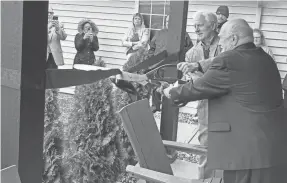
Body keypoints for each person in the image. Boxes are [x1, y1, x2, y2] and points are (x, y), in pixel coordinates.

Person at [162, 18, 287, 183]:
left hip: (246, 157)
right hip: (275, 151)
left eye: (222, 38)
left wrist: (171, 92)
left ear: (234, 39)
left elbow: (197, 88)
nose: (220, 43)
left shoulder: (228, 60)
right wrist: (198, 65)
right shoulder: (265, 58)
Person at [177, 11, 221, 179]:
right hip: (206, 105)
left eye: (200, 25)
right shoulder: (191, 54)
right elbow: (193, 84)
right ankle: (205, 179)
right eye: (194, 25)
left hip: (228, 102)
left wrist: (198, 67)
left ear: (213, 25)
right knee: (206, 144)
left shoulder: (225, 44)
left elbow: (225, 61)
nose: (196, 29)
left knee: (227, 142)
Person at [148, 15, 193, 112]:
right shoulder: (159, 33)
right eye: (167, 21)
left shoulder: (183, 34)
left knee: (172, 87)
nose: (169, 23)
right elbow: (152, 47)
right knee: (157, 85)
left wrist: (180, 55)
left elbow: (190, 49)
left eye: (171, 21)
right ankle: (156, 105)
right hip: (159, 65)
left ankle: (173, 106)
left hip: (174, 66)